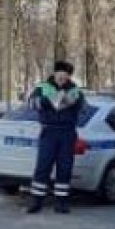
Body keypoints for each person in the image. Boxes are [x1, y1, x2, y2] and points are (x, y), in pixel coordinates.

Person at [27, 60, 86, 214]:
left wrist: (67, 102)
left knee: (65, 168)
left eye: (66, 75)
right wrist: (49, 101)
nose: (63, 77)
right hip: (49, 131)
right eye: (60, 74)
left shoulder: (74, 90)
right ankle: (36, 201)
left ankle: (61, 203)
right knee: (42, 166)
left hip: (67, 132)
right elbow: (32, 103)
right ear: (55, 73)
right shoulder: (42, 87)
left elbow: (82, 107)